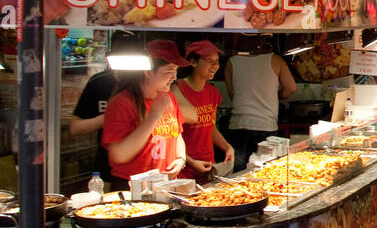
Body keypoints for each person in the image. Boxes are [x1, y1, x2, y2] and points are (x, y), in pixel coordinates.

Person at [100, 40, 189, 192]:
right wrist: (153, 117)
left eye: (176, 71)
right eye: (168, 71)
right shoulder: (122, 103)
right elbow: (118, 155)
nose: (174, 77)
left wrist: (181, 158)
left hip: (165, 184)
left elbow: (177, 134)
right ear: (148, 72)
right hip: (132, 187)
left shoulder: (168, 97)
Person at [224, 40, 296, 170]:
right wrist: (276, 96)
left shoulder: (231, 62)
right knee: (266, 173)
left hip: (239, 125)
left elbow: (232, 94)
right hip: (266, 125)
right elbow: (291, 88)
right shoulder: (276, 60)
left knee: (238, 174)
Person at [174, 40, 234, 181]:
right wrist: (189, 161)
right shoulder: (176, 89)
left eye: (216, 61)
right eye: (209, 61)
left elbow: (210, 126)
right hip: (184, 167)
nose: (215, 66)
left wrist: (227, 147)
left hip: (208, 164)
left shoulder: (212, 92)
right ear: (193, 62)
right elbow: (172, 136)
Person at [69, 66, 118, 180]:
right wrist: (111, 116)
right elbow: (75, 127)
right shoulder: (100, 82)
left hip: (144, 169)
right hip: (105, 167)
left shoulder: (150, 82)